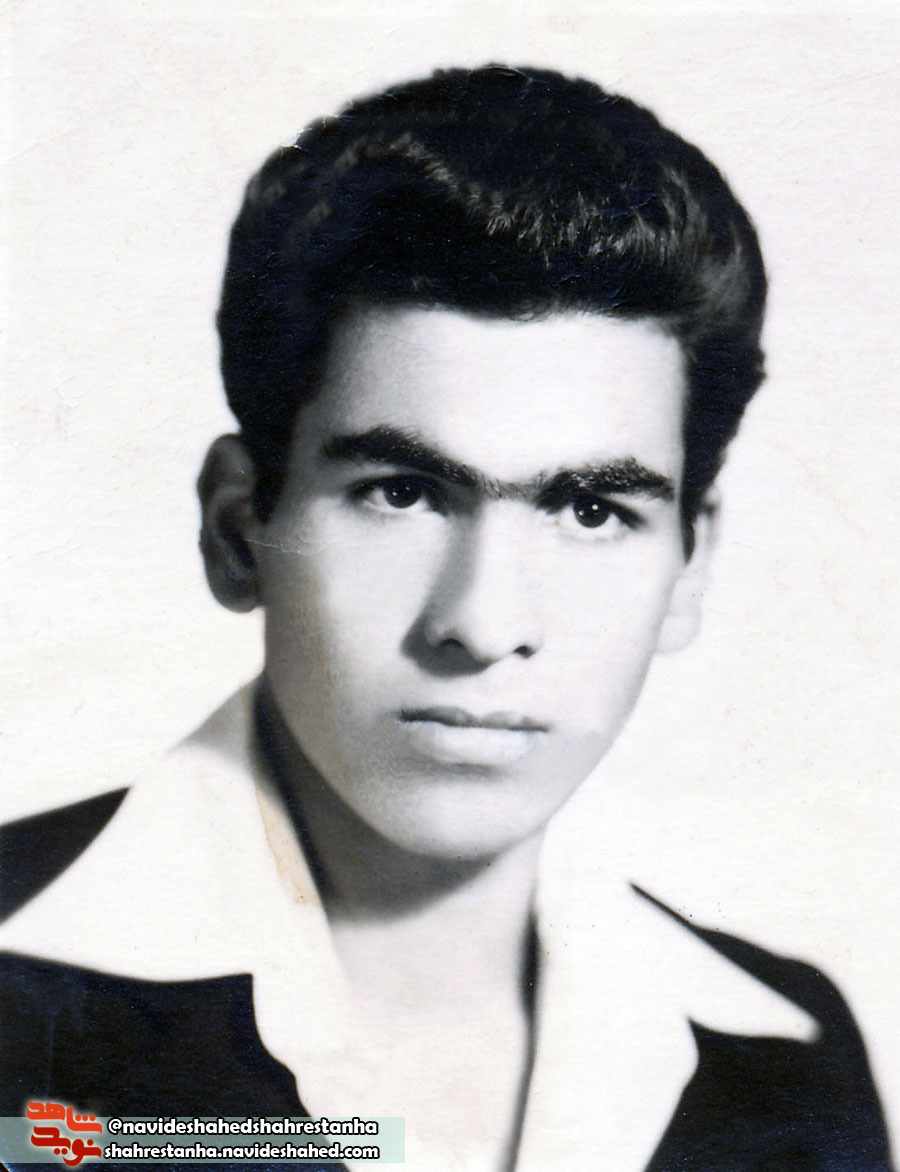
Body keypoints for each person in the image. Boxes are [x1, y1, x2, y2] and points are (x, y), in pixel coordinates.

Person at [0, 65, 893, 1171]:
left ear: (688, 564)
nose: (482, 623)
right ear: (238, 530)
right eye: (402, 492)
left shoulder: (785, 1060)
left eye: (591, 509)